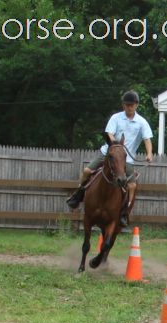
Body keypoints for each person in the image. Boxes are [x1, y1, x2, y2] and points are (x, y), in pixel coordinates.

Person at [67, 90, 153, 227]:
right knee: (87, 171)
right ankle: (78, 194)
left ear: (136, 105)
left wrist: (149, 153)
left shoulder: (142, 122)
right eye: (126, 105)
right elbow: (109, 133)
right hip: (108, 153)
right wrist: (116, 145)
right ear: (123, 105)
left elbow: (147, 139)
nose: (129, 107)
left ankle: (124, 212)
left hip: (126, 159)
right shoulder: (116, 118)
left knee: (132, 185)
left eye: (131, 105)